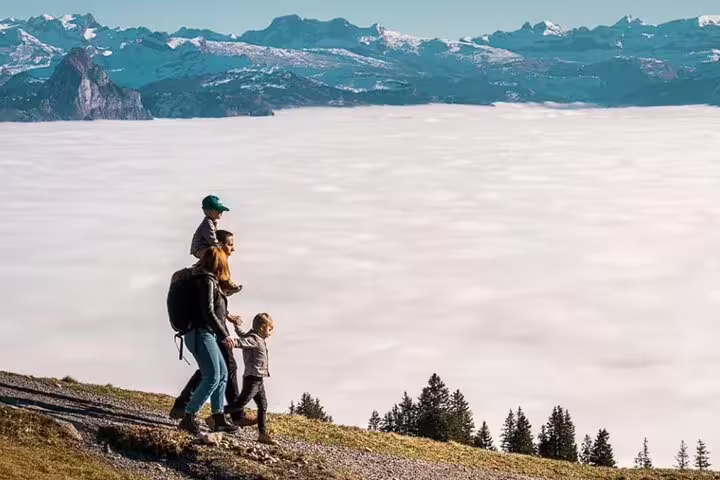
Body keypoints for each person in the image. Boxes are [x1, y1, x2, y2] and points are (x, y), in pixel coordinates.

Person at [170, 230, 243, 420]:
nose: (232, 250)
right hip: (202, 332)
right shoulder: (206, 280)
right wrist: (224, 334)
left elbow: (213, 307)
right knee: (212, 376)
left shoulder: (211, 280)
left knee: (223, 373)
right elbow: (207, 310)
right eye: (229, 245)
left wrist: (227, 316)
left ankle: (218, 417)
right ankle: (189, 415)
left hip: (208, 332)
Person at [226, 312, 276, 445]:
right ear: (261, 327)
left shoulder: (254, 337)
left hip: (259, 379)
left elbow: (242, 335)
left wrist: (237, 327)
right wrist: (232, 342)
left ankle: (263, 434)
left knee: (263, 405)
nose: (270, 333)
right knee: (240, 403)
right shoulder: (254, 339)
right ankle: (215, 416)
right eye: (269, 329)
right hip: (252, 378)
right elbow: (241, 341)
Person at [190, 195, 241, 295]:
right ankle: (225, 281)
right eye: (218, 210)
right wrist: (220, 250)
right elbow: (212, 239)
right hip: (200, 249)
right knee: (218, 256)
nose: (220, 213)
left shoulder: (213, 222)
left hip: (205, 247)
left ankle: (224, 281)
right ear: (208, 211)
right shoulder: (207, 224)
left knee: (218, 255)